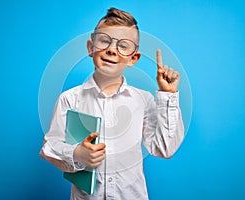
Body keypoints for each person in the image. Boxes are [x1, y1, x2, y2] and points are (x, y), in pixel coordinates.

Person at [40, 7, 184, 200]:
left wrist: (169, 95)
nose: (111, 49)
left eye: (123, 46)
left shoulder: (144, 100)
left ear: (134, 58)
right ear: (91, 47)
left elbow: (164, 149)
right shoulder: (70, 98)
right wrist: (77, 154)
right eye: (104, 41)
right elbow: (49, 147)